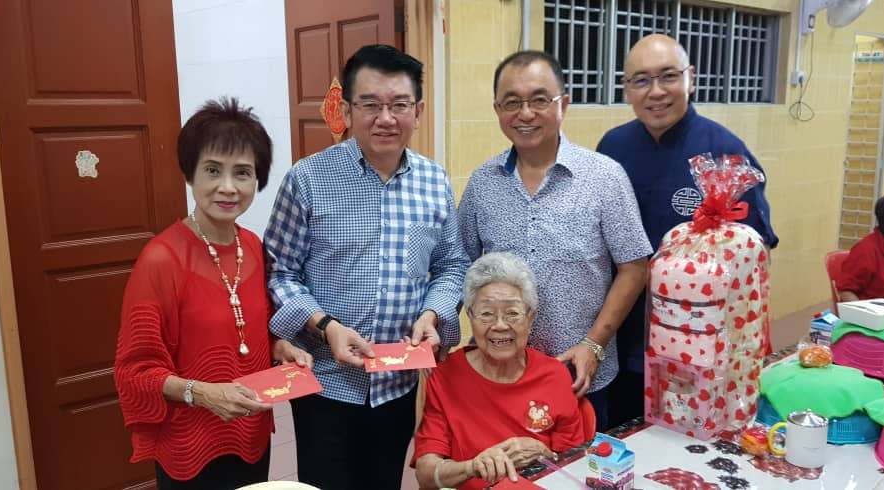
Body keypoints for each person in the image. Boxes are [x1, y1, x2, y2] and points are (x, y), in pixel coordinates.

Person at [264, 44, 470, 489]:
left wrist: (434, 314)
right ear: (347, 109)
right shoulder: (308, 178)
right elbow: (280, 271)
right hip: (325, 384)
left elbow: (451, 265)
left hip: (398, 383)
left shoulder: (434, 182)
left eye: (399, 105)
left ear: (417, 110)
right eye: (370, 105)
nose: (386, 118)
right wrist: (326, 325)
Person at [114, 97, 313, 489]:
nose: (227, 187)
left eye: (242, 173)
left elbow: (250, 327)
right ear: (190, 175)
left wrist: (280, 348)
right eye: (212, 170)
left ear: (257, 180)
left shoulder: (254, 247)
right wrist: (202, 394)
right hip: (189, 442)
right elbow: (134, 372)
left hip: (249, 432)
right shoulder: (161, 259)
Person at [458, 50, 652, 430]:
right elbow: (459, 264)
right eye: (512, 102)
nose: (525, 113)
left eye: (539, 100)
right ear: (498, 110)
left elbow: (634, 266)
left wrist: (594, 344)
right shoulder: (483, 183)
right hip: (501, 371)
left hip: (579, 372)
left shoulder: (604, 177)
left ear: (564, 103)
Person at [595, 34, 778, 425]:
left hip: (695, 334)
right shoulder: (613, 147)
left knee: (685, 436)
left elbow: (751, 253)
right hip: (622, 325)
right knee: (622, 433)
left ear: (690, 77)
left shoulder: (724, 151)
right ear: (626, 88)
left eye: (668, 77)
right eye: (641, 80)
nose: (656, 92)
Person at [413, 252, 587, 490]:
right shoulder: (446, 376)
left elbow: (577, 466)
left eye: (512, 313)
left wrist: (546, 455)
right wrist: (472, 466)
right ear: (470, 317)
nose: (500, 325)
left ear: (531, 318)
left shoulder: (554, 375)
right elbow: (426, 473)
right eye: (486, 314)